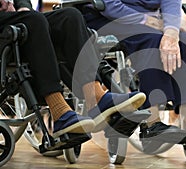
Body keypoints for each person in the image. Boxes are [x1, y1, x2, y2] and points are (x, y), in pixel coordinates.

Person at [0, 0, 146, 137]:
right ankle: (59, 111)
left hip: (14, 17)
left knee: (70, 16)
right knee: (34, 21)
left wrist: (23, 7)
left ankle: (95, 98)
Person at [80, 0, 186, 136]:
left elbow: (171, 3)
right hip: (109, 18)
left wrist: (171, 31)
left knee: (184, 39)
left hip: (151, 20)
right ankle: (152, 121)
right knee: (152, 38)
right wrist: (148, 21)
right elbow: (110, 5)